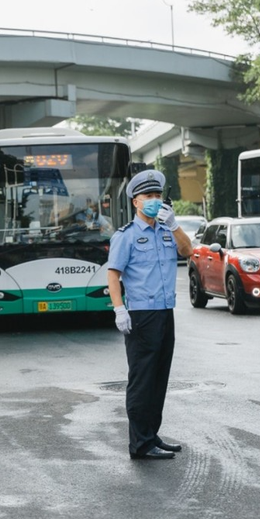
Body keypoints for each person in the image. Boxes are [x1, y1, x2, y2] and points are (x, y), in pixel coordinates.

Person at [107, 170, 193, 460]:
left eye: (158, 196)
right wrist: (120, 308)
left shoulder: (168, 231)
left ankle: (151, 434)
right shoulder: (126, 236)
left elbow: (188, 251)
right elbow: (113, 274)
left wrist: (175, 224)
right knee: (142, 380)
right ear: (135, 202)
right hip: (142, 314)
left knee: (159, 379)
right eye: (148, 197)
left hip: (165, 312)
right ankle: (140, 444)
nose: (154, 201)